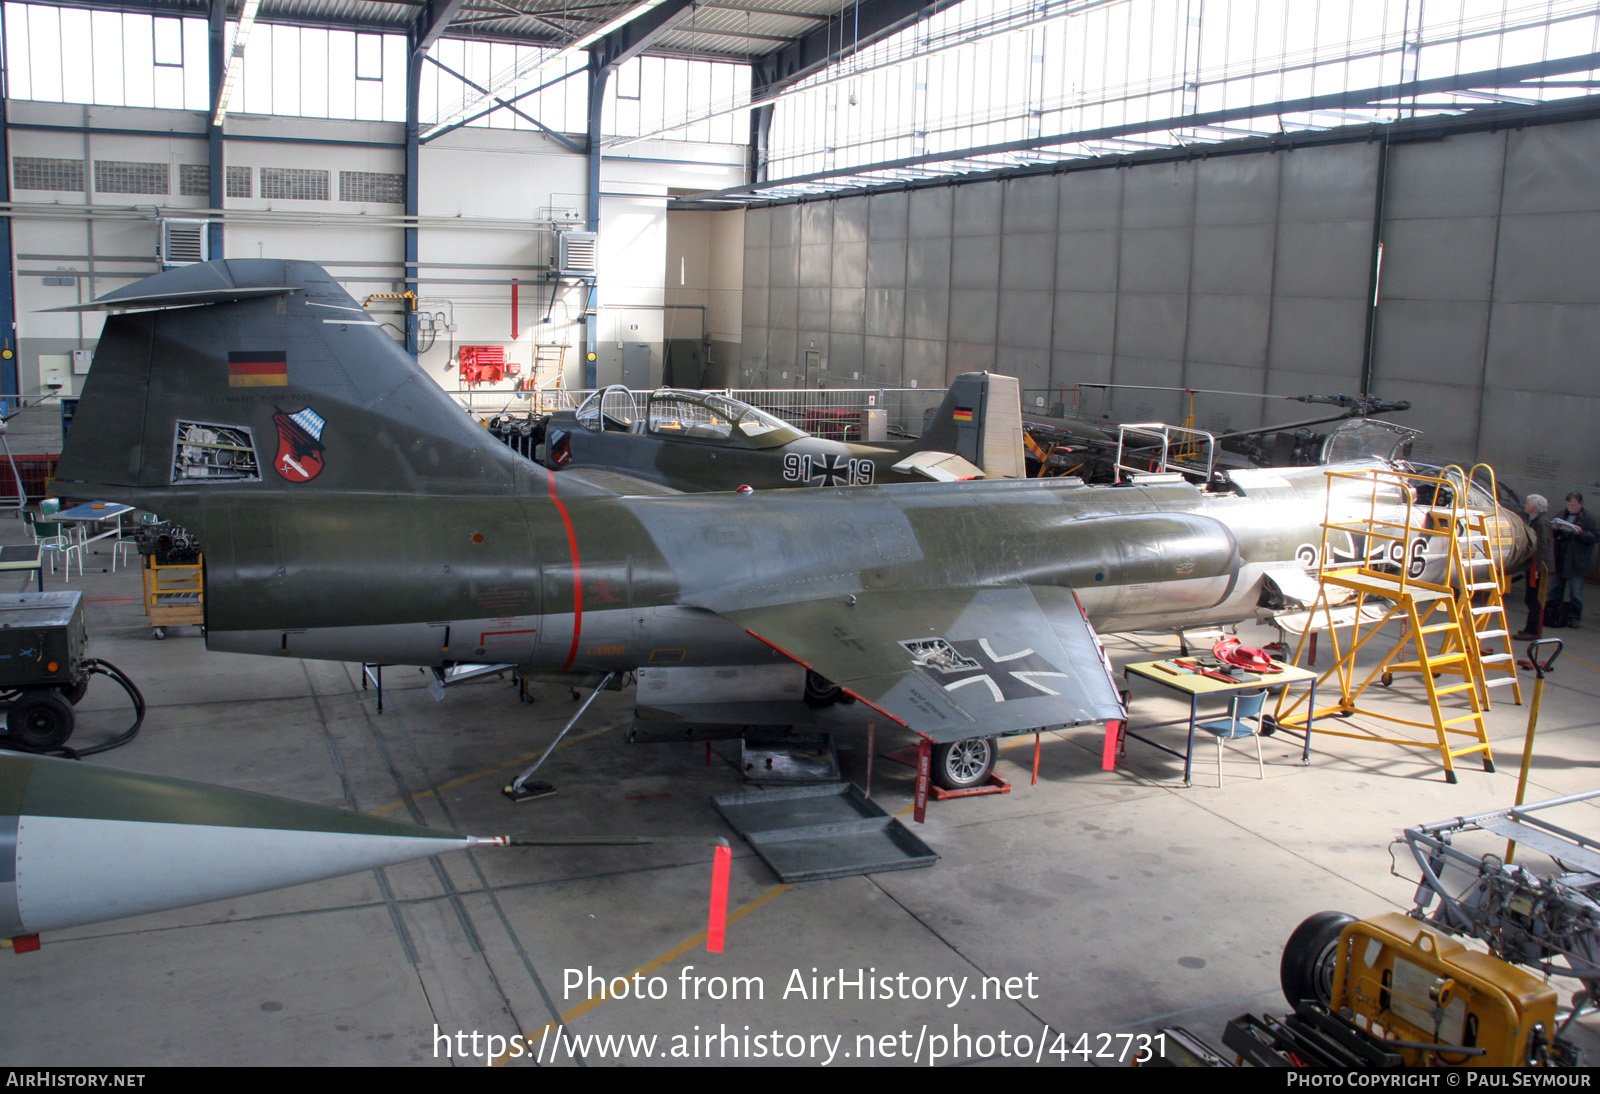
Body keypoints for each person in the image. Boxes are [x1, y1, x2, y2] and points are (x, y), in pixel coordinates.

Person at [1549, 490, 1599, 627]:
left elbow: (1594, 537)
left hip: (1577, 561)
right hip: (1560, 558)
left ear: (1581, 504)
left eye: (1573, 505)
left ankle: (1575, 617)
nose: (1571, 508)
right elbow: (1551, 531)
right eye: (1569, 505)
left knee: (1575, 593)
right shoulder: (1562, 514)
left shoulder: (1589, 518)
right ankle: (1552, 613)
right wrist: (1555, 528)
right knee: (1554, 590)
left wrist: (1581, 533)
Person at [1515, 494, 1555, 640]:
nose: (1525, 505)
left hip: (1538, 568)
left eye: (1527, 503)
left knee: (1535, 600)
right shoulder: (1535, 521)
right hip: (1534, 565)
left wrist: (1538, 568)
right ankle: (1530, 628)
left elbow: (1543, 546)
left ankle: (1533, 631)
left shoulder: (1541, 523)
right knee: (1530, 599)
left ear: (1534, 507)